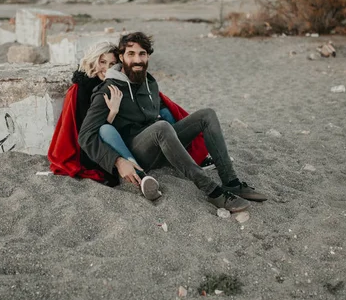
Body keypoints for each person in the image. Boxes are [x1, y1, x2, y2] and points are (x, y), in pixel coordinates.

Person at [78, 32, 267, 213]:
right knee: (161, 127)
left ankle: (231, 182)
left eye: (142, 54)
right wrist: (117, 161)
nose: (137, 59)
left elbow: (165, 111)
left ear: (148, 56)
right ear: (122, 57)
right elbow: (85, 135)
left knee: (207, 115)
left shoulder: (150, 84)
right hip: (137, 153)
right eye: (131, 54)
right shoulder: (108, 90)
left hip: (163, 146)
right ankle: (212, 191)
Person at [48, 41, 210, 200]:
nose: (107, 68)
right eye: (102, 62)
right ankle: (141, 175)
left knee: (166, 112)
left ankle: (183, 153)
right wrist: (113, 111)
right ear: (94, 61)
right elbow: (93, 132)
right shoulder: (84, 89)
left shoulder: (117, 81)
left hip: (124, 133)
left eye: (112, 63)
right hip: (100, 146)